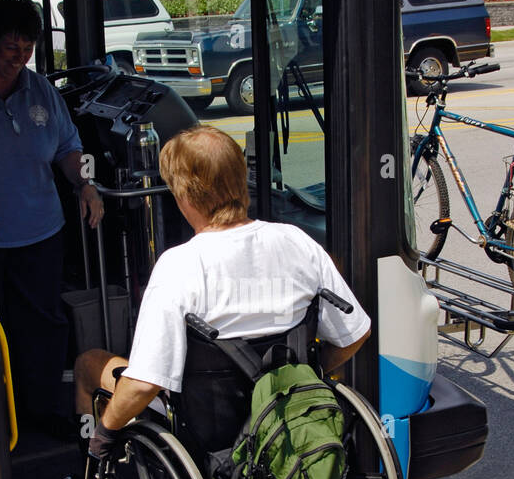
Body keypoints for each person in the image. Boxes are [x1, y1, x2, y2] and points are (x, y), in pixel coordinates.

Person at [75, 124, 371, 458]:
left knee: (88, 365)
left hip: (208, 431)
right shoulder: (297, 241)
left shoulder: (179, 266)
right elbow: (353, 335)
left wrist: (105, 434)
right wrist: (306, 378)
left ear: (185, 196)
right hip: (286, 415)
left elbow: (145, 383)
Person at [0, 0, 104, 427]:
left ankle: (44, 410)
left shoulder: (41, 90)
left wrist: (84, 184)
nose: (20, 56)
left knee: (43, 326)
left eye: (28, 46)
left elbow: (68, 148)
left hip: (41, 231)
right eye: (12, 46)